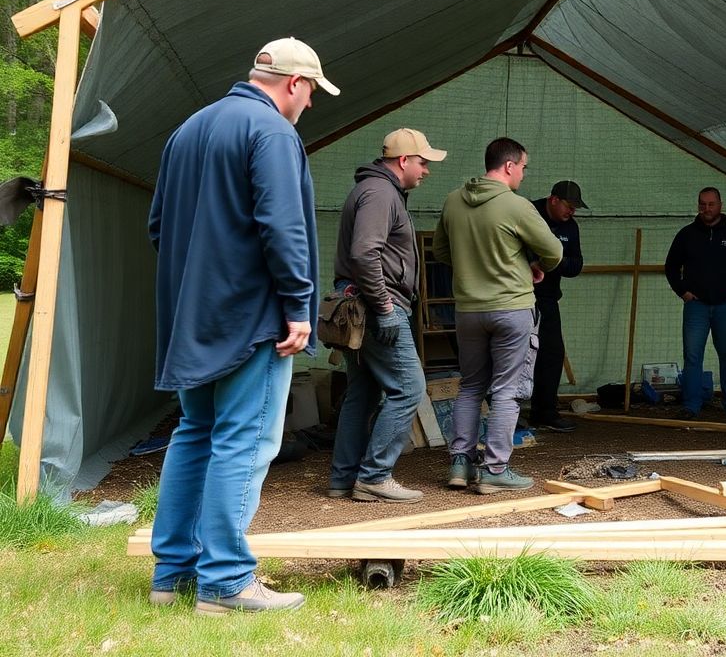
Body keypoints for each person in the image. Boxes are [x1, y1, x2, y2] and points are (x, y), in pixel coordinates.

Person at [147, 37, 336, 614]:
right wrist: (299, 305)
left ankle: (172, 573)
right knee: (245, 440)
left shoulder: (190, 128)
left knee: (195, 433)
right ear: (295, 84)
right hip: (253, 318)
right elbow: (283, 227)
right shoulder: (273, 133)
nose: (308, 106)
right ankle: (226, 582)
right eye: (311, 94)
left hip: (191, 316)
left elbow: (159, 226)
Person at [433, 137, 562, 494]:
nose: (523, 172)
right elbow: (553, 251)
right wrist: (534, 265)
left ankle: (460, 463)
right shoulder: (516, 205)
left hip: (468, 310)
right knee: (507, 391)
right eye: (523, 166)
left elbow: (441, 251)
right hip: (511, 308)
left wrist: (472, 266)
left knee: (471, 386)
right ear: (508, 166)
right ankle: (495, 469)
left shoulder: (453, 200)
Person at [327, 128, 447, 503]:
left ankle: (343, 478)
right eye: (423, 162)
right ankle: (375, 476)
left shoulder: (377, 191)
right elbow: (365, 254)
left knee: (362, 393)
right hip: (376, 306)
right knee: (409, 388)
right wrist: (384, 308)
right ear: (403, 161)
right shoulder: (381, 194)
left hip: (359, 306)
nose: (426, 170)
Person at [664, 187, 726, 422]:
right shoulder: (686, 234)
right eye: (703, 204)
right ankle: (691, 406)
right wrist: (683, 292)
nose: (707, 209)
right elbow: (671, 266)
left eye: (711, 204)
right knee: (693, 357)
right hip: (696, 305)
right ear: (698, 205)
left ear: (720, 205)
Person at [527, 180, 587, 432]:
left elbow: (576, 265)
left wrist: (551, 262)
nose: (571, 212)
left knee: (551, 353)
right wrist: (533, 262)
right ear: (553, 200)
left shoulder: (570, 228)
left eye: (575, 208)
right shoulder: (528, 214)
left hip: (548, 299)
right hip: (516, 295)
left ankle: (545, 412)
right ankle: (500, 413)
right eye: (569, 206)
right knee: (511, 354)